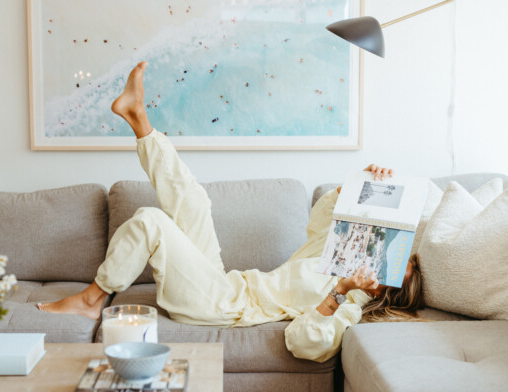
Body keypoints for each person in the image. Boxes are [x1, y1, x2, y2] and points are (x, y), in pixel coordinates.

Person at [38, 61, 425, 363]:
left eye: (389, 267)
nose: (378, 258)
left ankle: (91, 299)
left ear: (385, 291)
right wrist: (358, 186)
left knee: (152, 221)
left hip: (223, 307)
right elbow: (321, 220)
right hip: (225, 283)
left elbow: (304, 343)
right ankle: (139, 119)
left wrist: (340, 294)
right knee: (193, 199)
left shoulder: (350, 309)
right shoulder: (337, 256)